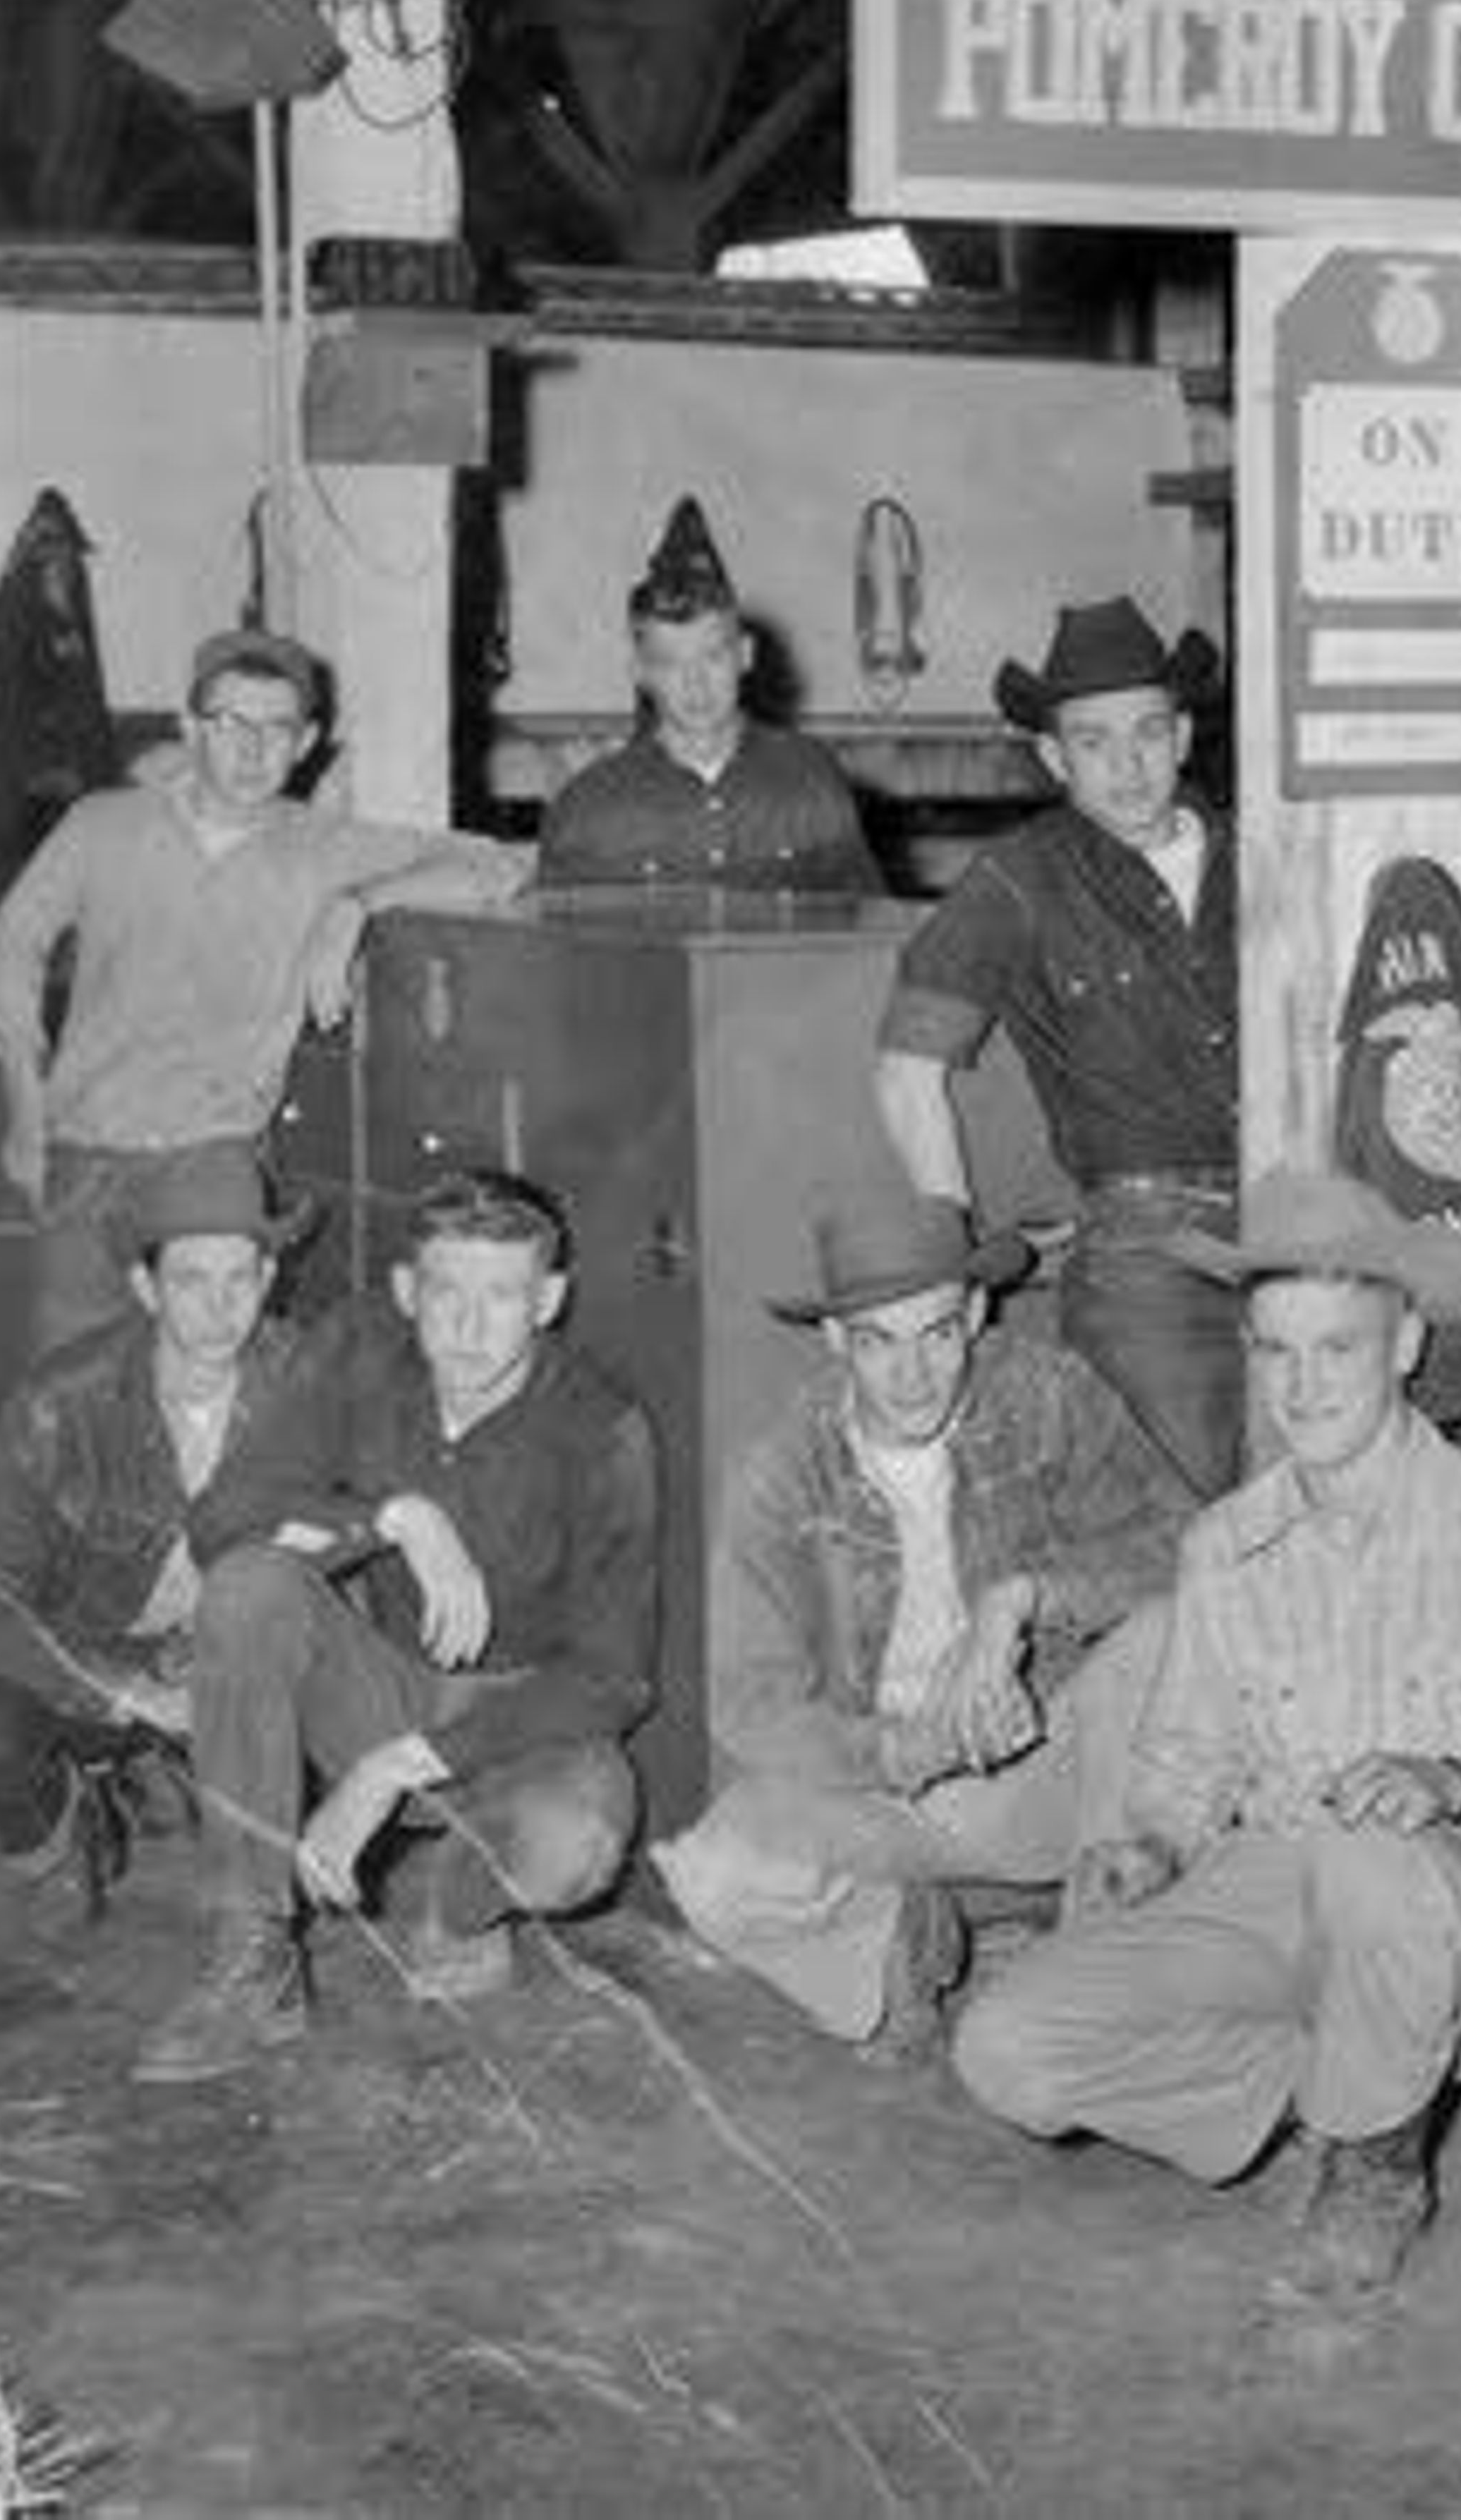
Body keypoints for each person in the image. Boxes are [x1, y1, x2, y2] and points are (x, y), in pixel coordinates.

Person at [951, 1170, 1461, 2303]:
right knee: (1006, 2050)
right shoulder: (1224, 1543)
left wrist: (1453, 1784)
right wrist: (1151, 1847)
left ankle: (1376, 2169)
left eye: (1338, 1348)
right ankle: (1327, 2083)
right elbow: (1182, 1763)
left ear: (1406, 1340)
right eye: (1275, 1350)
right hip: (1275, 1890)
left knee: (1372, 1860)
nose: (1302, 1385)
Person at [135, 1170, 656, 2085]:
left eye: (503, 1295)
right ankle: (253, 1953)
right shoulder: (358, 1351)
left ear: (549, 1298)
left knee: (573, 1843)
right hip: (380, 1684)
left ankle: (454, 1905)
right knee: (250, 1587)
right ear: (409, 1290)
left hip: (525, 1723)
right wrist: (396, 1515)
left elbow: (611, 1678)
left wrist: (390, 1767)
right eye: (447, 1291)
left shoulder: (602, 1428)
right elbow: (223, 1521)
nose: (469, 1324)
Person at [650, 1183, 1189, 2045]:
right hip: (893, 1794)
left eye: (937, 1334)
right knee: (714, 1872)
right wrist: (897, 1751)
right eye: (878, 1343)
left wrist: (1021, 1602)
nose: (912, 1375)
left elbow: (1186, 1550)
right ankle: (914, 1933)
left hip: (1051, 1763)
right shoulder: (784, 1472)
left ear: (976, 1312)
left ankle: (1096, 1940)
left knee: (1167, 1637)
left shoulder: (1046, 1395)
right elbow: (750, 1704)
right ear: (834, 1341)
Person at [0, 621, 529, 1357]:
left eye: (278, 730)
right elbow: (7, 950)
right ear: (189, 729)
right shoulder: (102, 826)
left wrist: (356, 905)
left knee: (208, 1378)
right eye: (231, 723)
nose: (252, 749)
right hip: (83, 1153)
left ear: (306, 745)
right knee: (70, 1387)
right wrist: (23, 1103)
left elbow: (503, 865)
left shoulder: (321, 847)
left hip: (214, 1161)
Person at [875, 596, 1242, 1501]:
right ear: (1052, 756)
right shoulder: (1019, 879)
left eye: (1148, 732)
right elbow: (906, 1071)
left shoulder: (1266, 851)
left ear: (1185, 735)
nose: (1127, 766)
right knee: (1173, 1522)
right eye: (1093, 741)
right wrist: (953, 1248)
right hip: (1145, 1254)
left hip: (1300, 1214)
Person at [0, 1143, 310, 1918]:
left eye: (240, 1278)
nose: (220, 1308)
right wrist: (123, 1691)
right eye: (191, 1279)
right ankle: (61, 1824)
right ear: (144, 1286)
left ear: (269, 1278)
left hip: (238, 1658)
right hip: (88, 1662)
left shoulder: (312, 1384)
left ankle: (169, 1780)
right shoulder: (60, 1401)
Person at [537, 496, 876, 896]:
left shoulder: (810, 780)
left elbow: (870, 925)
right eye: (669, 663)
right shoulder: (591, 807)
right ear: (640, 673)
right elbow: (561, 949)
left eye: (713, 657)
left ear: (746, 655)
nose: (695, 684)